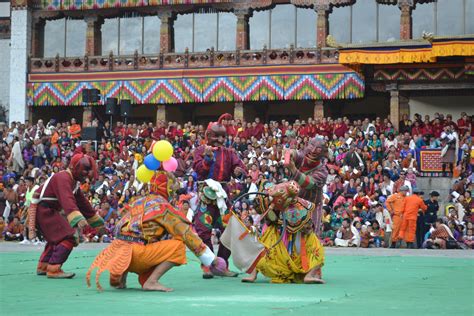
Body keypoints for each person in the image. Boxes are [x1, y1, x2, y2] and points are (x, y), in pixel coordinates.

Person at [87, 172, 226, 292]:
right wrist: (210, 259)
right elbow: (186, 234)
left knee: (129, 239)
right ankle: (151, 281)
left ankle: (121, 277)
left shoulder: (137, 201)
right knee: (177, 246)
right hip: (137, 253)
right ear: (167, 190)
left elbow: (119, 227)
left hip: (116, 250)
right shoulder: (164, 207)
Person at [27, 153, 104, 278]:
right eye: (85, 170)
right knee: (69, 237)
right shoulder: (63, 178)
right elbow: (67, 200)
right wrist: (78, 218)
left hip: (47, 210)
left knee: (56, 239)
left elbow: (82, 202)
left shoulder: (72, 181)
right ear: (76, 168)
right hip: (44, 210)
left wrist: (96, 221)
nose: (87, 175)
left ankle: (44, 265)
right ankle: (53, 268)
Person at [235, 181, 325, 284]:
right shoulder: (270, 195)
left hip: (297, 236)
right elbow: (261, 210)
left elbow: (307, 226)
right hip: (276, 231)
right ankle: (253, 273)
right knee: (261, 246)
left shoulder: (299, 205)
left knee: (316, 247)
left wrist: (304, 226)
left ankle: (310, 275)